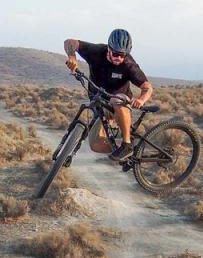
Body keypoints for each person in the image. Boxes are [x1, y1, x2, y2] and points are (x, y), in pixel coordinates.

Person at [63, 29, 153, 161]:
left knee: (116, 99)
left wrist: (141, 100)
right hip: (100, 102)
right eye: (116, 54)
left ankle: (127, 144)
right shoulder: (97, 51)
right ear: (109, 48)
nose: (119, 58)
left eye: (123, 55)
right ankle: (125, 151)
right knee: (95, 145)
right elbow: (69, 42)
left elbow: (147, 87)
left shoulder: (128, 64)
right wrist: (72, 57)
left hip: (120, 101)